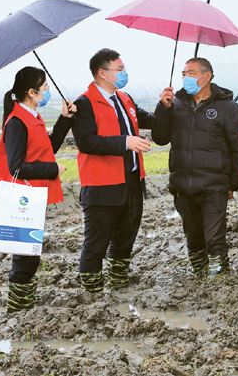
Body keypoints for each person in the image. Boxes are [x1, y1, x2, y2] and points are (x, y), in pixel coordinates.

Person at [152, 57, 238, 279]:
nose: (185, 77)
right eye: (184, 73)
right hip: (183, 185)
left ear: (207, 76)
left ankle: (218, 283)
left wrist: (232, 183)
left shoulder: (228, 108)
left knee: (215, 238)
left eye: (191, 73)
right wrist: (163, 108)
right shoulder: (175, 105)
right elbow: (159, 138)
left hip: (214, 186)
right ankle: (200, 277)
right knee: (194, 238)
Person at [0, 66, 76, 314]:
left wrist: (65, 119)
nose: (47, 91)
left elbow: (47, 147)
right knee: (25, 258)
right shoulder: (17, 122)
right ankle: (17, 312)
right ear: (31, 92)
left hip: (32, 196)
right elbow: (16, 167)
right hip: (22, 198)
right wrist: (52, 169)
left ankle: (22, 309)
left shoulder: (32, 116)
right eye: (45, 88)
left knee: (30, 255)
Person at [72, 48, 154, 293]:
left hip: (131, 181)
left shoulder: (124, 98)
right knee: (96, 243)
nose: (124, 73)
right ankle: (92, 293)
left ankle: (119, 285)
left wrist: (166, 105)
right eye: (119, 69)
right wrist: (125, 142)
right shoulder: (84, 103)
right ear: (102, 73)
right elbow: (86, 142)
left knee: (125, 239)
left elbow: (148, 120)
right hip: (102, 185)